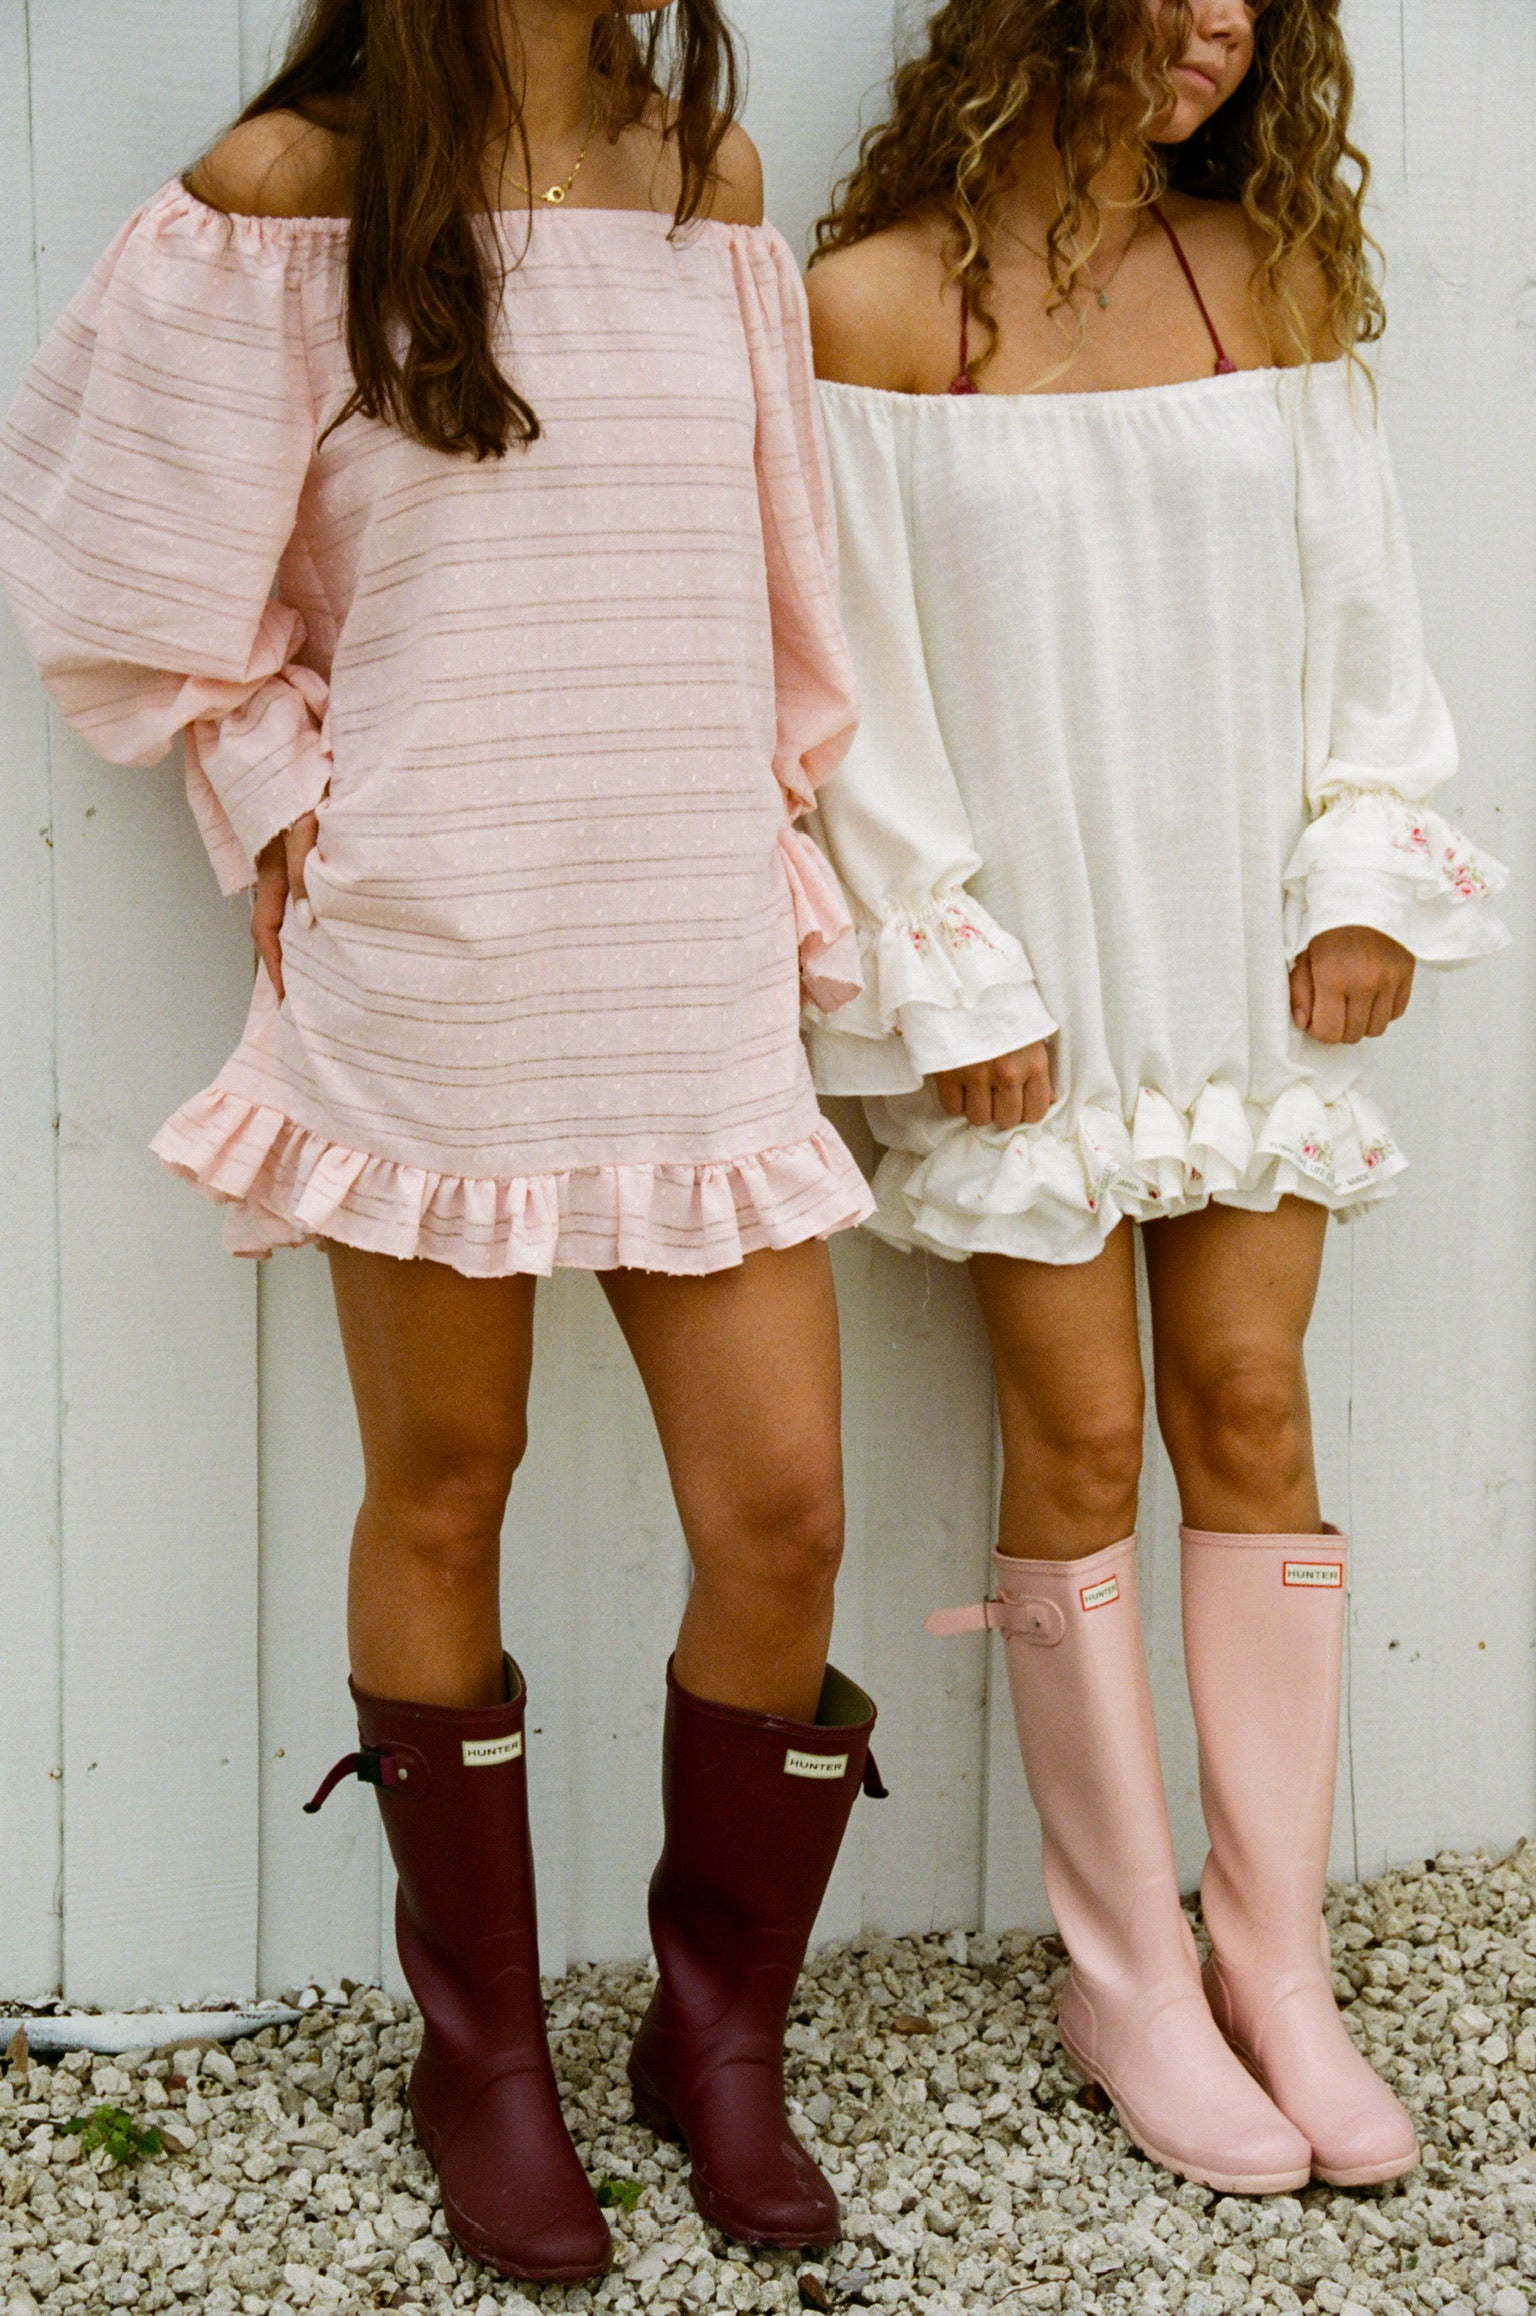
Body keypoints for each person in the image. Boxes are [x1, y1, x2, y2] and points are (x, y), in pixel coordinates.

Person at [0, 0, 887, 2282]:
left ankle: (718, 2042)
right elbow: (109, 563)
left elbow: (779, 579)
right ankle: (480, 2058)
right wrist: (278, 790)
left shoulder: (706, 181)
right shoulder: (293, 189)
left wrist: (784, 841)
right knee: (446, 1483)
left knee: (784, 1513)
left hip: (682, 939)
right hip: (431, 945)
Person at [805, 0, 1506, 2197]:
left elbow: (1361, 614)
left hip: (1243, 956)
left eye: (1252, 0)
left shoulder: (1258, 276)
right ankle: (1127, 1979)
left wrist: (1369, 869)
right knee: (1085, 1436)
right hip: (1030, 984)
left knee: (1252, 1407)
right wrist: (944, 957)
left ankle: (1276, 1966)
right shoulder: (877, 309)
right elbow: (844, 682)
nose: (1216, 26)